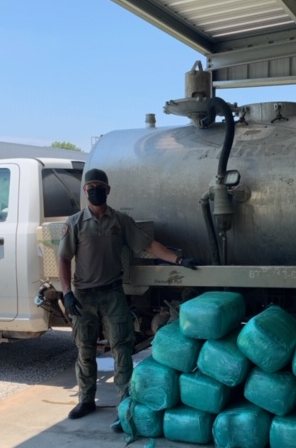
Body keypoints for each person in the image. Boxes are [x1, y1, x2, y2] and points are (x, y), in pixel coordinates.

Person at [58, 168, 199, 428]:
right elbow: (63, 258)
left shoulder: (120, 221)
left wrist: (178, 260)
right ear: (85, 191)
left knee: (121, 349)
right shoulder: (75, 223)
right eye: (91, 188)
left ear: (108, 190)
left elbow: (148, 244)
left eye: (100, 187)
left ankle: (124, 403)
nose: (95, 191)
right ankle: (86, 399)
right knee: (85, 349)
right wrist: (66, 293)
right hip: (83, 296)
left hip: (112, 293)